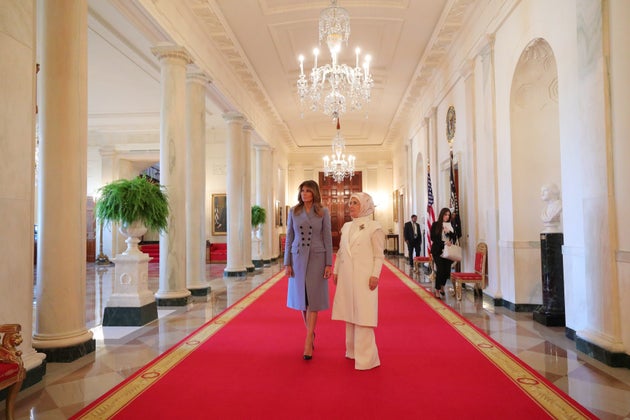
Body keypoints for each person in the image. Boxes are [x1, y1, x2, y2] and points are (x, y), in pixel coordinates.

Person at [332, 192, 385, 370]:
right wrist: (336, 270)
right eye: (350, 203)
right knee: (350, 313)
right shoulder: (346, 226)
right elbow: (340, 251)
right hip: (347, 277)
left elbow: (379, 256)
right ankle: (352, 351)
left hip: (364, 277)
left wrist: (375, 275)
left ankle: (367, 359)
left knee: (364, 315)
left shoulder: (374, 227)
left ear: (364, 205)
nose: (351, 206)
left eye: (355, 203)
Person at [284, 180, 333, 360]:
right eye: (302, 191)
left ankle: (307, 340)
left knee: (313, 298)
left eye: (308, 191)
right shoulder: (293, 211)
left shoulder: (323, 212)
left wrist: (329, 263)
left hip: (317, 258)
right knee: (302, 299)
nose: (304, 194)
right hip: (297, 257)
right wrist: (286, 263)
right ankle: (311, 333)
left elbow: (327, 239)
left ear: (314, 193)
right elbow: (289, 237)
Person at [430, 207, 458, 299]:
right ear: (442, 214)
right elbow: (433, 238)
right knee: (441, 269)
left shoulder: (450, 225)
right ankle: (437, 289)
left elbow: (454, 237)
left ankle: (442, 286)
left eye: (448, 215)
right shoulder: (436, 224)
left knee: (447, 271)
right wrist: (443, 242)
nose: (447, 216)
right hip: (437, 250)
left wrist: (449, 232)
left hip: (448, 251)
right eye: (445, 214)